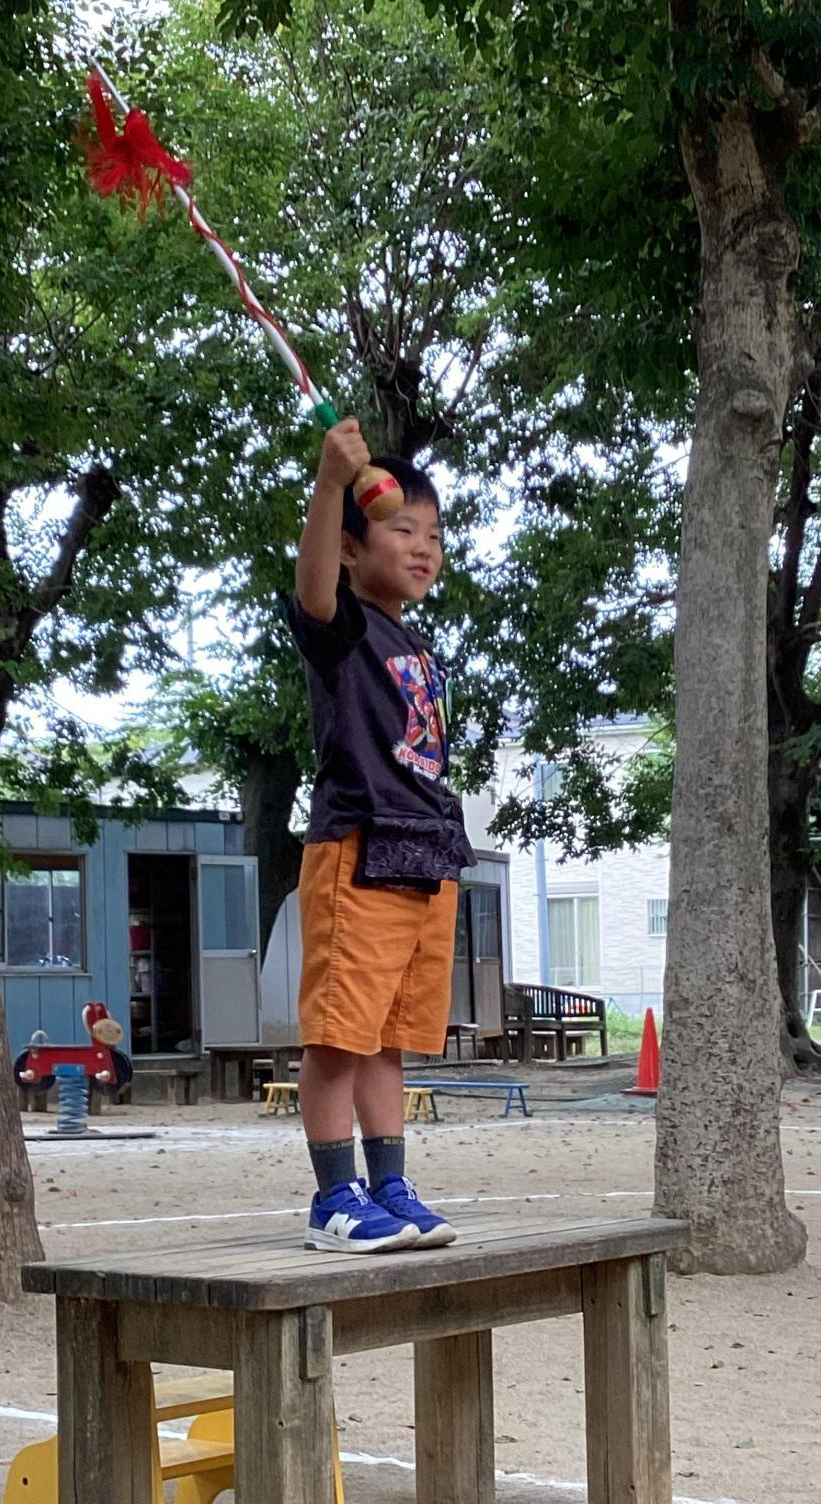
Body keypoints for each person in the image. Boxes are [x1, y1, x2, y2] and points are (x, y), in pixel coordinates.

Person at [287, 417, 476, 1253]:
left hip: (425, 858)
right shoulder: (345, 629)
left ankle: (388, 1186)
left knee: (389, 1039)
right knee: (339, 1034)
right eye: (402, 530)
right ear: (352, 549)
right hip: (360, 851)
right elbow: (312, 590)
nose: (423, 546)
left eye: (433, 533)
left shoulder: (418, 645)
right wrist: (332, 483)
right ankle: (334, 1200)